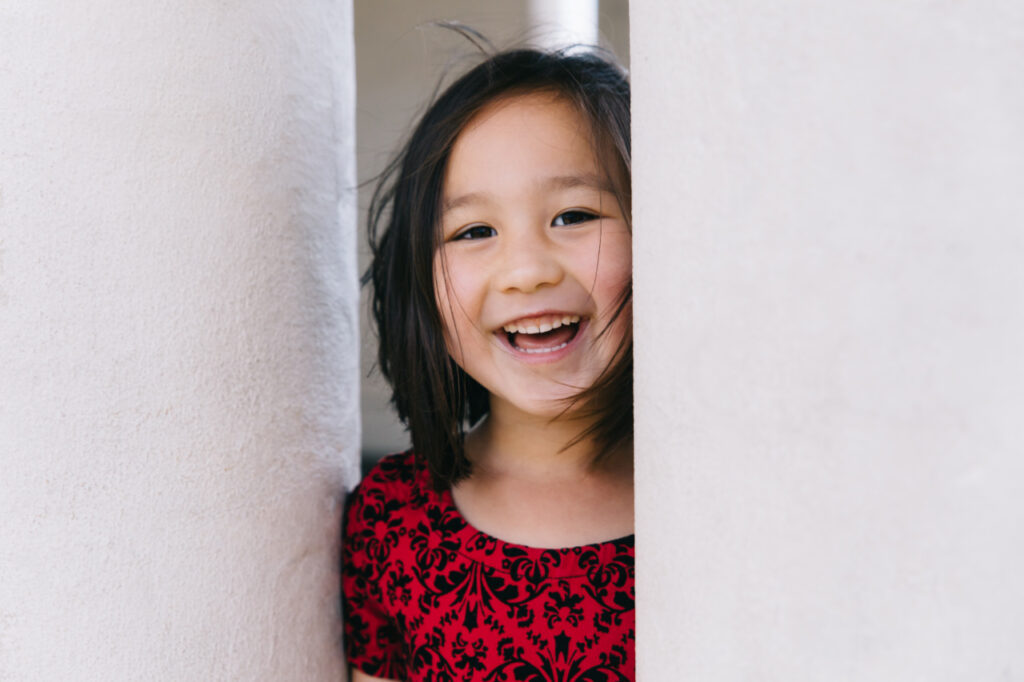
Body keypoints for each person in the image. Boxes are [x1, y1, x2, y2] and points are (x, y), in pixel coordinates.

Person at [343, 44, 634, 682]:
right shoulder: (394, 522)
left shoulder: (726, 500)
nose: (527, 272)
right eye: (475, 231)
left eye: (575, 216)